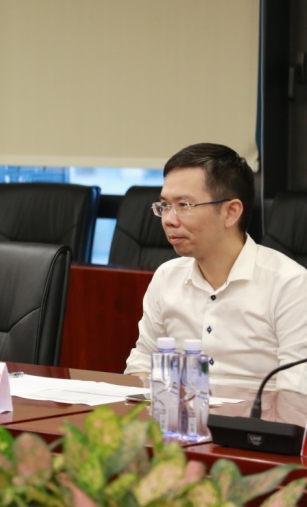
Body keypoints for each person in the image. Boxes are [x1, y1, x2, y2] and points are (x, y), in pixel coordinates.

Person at [124, 143, 307, 393]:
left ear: (231, 212)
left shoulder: (290, 285)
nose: (169, 219)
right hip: (179, 416)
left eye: (184, 205)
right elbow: (142, 363)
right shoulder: (167, 277)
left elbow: (296, 394)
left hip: (257, 418)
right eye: (164, 205)